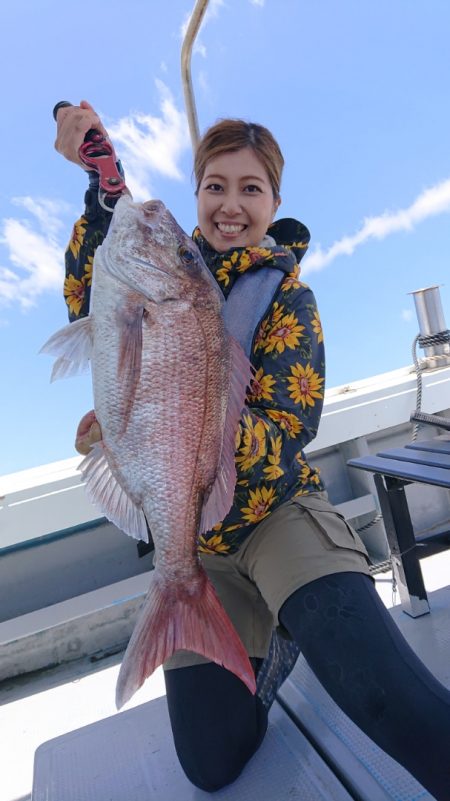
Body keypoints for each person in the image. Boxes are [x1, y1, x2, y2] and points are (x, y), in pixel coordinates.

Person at [55, 102, 450, 798]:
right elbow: (92, 289)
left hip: (280, 514)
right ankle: (270, 637)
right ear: (197, 195)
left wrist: (169, 415)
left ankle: (296, 613)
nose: (230, 204)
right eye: (214, 186)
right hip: (198, 544)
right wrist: (98, 185)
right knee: (212, 762)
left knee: (391, 697)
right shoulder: (164, 272)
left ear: (274, 201)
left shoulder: (291, 301)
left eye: (250, 188)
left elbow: (287, 429)